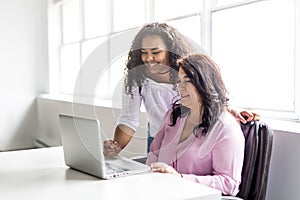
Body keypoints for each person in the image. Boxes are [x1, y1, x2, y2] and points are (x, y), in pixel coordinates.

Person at [103, 22, 255, 158]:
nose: (148, 58)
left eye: (156, 52)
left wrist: (229, 109)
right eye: (144, 52)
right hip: (158, 139)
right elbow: (129, 119)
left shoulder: (186, 72)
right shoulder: (136, 78)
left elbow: (208, 95)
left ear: (170, 51)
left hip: (191, 139)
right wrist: (116, 147)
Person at [146, 54, 245, 196]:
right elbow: (154, 153)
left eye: (187, 81)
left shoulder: (225, 128)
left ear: (204, 83)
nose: (180, 87)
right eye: (179, 81)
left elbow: (229, 183)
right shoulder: (174, 115)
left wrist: (180, 179)